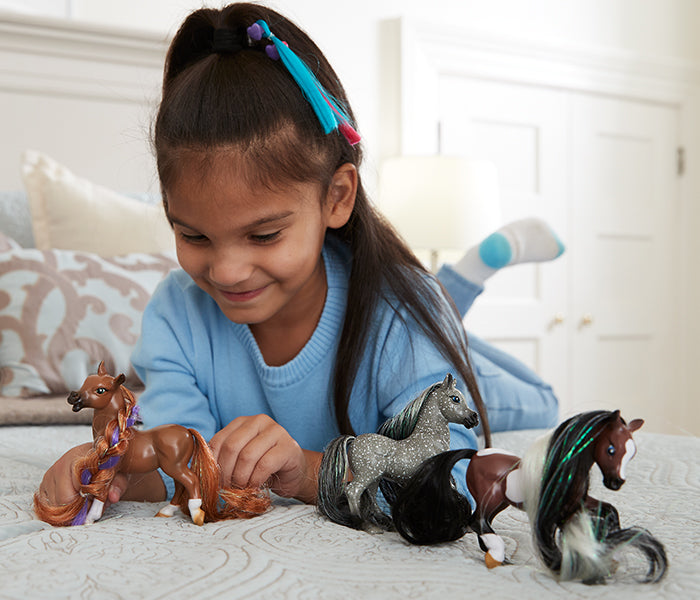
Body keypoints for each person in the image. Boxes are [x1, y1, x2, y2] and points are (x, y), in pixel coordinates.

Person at [38, 3, 560, 511]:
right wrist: (111, 473)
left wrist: (311, 471)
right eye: (193, 236)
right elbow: (182, 465)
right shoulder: (177, 313)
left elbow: (453, 479)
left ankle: (465, 279)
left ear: (336, 198)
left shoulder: (399, 312)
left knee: (535, 398)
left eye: (263, 235)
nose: (227, 271)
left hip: (434, 336)